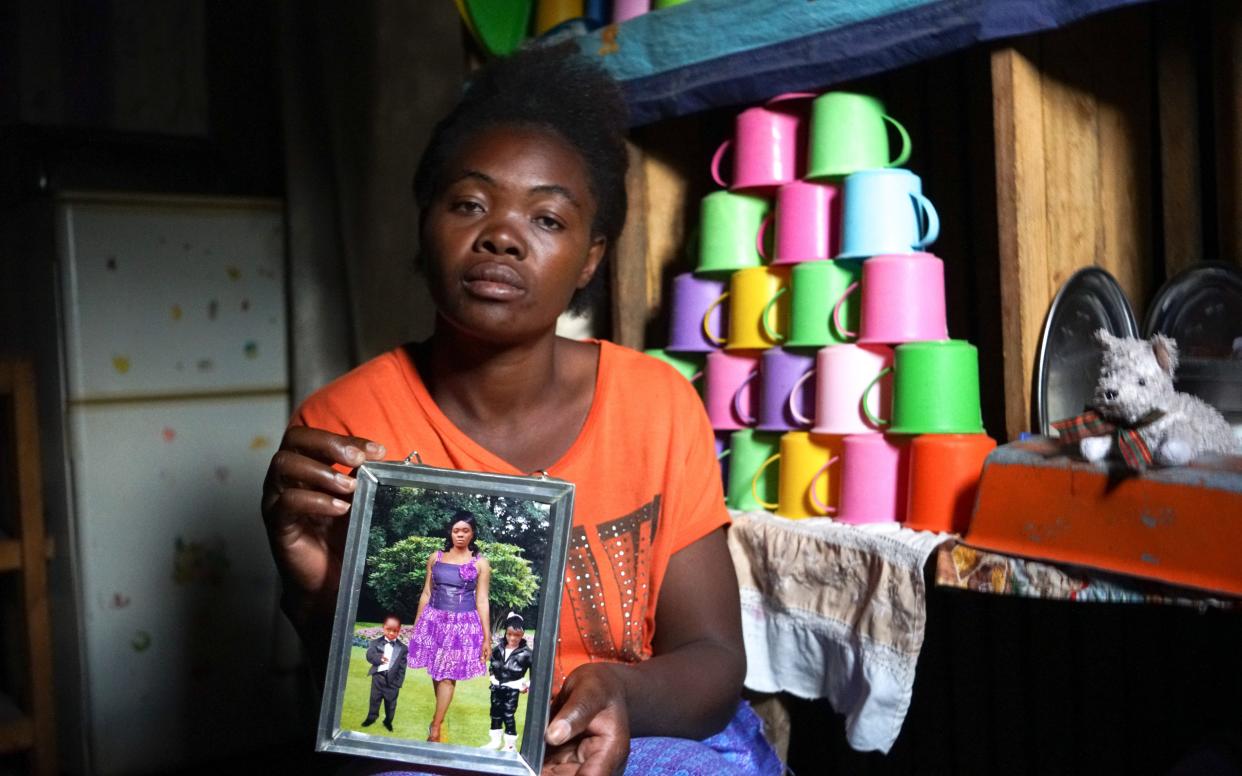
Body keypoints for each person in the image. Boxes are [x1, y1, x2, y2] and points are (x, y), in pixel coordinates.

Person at [260, 42, 782, 775]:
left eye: (547, 219)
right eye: (469, 203)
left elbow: (715, 662)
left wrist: (613, 693)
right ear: (425, 222)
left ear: (591, 259)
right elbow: (358, 707)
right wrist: (309, 591)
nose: (501, 234)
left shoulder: (656, 403)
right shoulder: (345, 425)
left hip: (634, 739)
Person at [406, 511, 490, 742]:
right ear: (450, 532)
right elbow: (426, 593)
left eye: (465, 531)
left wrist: (486, 637)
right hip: (434, 621)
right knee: (436, 672)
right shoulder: (436, 558)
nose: (460, 535)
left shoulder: (480, 563)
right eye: (456, 530)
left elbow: (482, 600)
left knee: (447, 677)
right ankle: (439, 719)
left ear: (473, 533)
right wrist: (417, 626)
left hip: (461, 625)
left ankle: (435, 727)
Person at [484, 613, 534, 752]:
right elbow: (492, 663)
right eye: (510, 634)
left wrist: (527, 684)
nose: (512, 638)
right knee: (495, 713)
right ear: (506, 632)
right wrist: (493, 674)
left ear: (522, 634)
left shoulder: (527, 653)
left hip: (512, 688)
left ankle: (510, 745)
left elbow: (534, 672)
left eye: (516, 635)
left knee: (508, 715)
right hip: (497, 686)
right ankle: (494, 741)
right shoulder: (498, 649)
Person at [362, 615, 408, 732]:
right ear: (383, 628)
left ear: (399, 631)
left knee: (391, 704)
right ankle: (371, 718)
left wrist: (398, 683)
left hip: (392, 682)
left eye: (395, 631)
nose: (392, 633)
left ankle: (388, 721)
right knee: (374, 700)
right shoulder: (375, 643)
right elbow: (369, 656)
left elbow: (402, 668)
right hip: (378, 678)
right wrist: (378, 658)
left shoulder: (402, 648)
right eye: (389, 630)